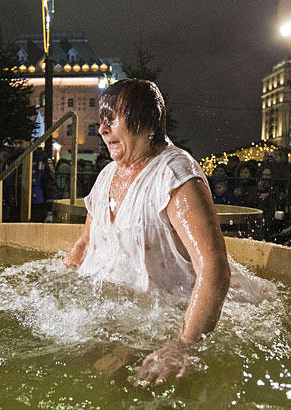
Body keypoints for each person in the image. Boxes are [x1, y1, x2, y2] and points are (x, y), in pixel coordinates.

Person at [63, 79, 231, 386]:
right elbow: (85, 242)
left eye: (112, 119)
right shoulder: (107, 175)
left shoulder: (174, 174)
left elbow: (213, 266)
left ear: (144, 121)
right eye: (102, 121)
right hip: (118, 313)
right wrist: (54, 283)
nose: (102, 129)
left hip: (171, 317)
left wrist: (185, 346)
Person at [3, 137, 61, 222]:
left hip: (36, 206)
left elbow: (50, 183)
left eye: (20, 142)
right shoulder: (11, 160)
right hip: (15, 205)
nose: (17, 146)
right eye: (15, 143)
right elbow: (5, 182)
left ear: (29, 143)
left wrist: (50, 208)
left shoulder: (40, 158)